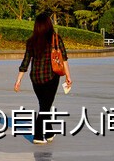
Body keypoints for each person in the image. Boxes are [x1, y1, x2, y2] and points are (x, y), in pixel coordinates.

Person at [14, 12, 73, 144]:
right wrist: (68, 76)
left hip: (35, 78)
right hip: (51, 77)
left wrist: (19, 79)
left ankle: (50, 132)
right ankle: (38, 136)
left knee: (44, 105)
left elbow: (26, 61)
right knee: (45, 107)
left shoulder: (31, 41)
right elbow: (63, 58)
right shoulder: (55, 38)